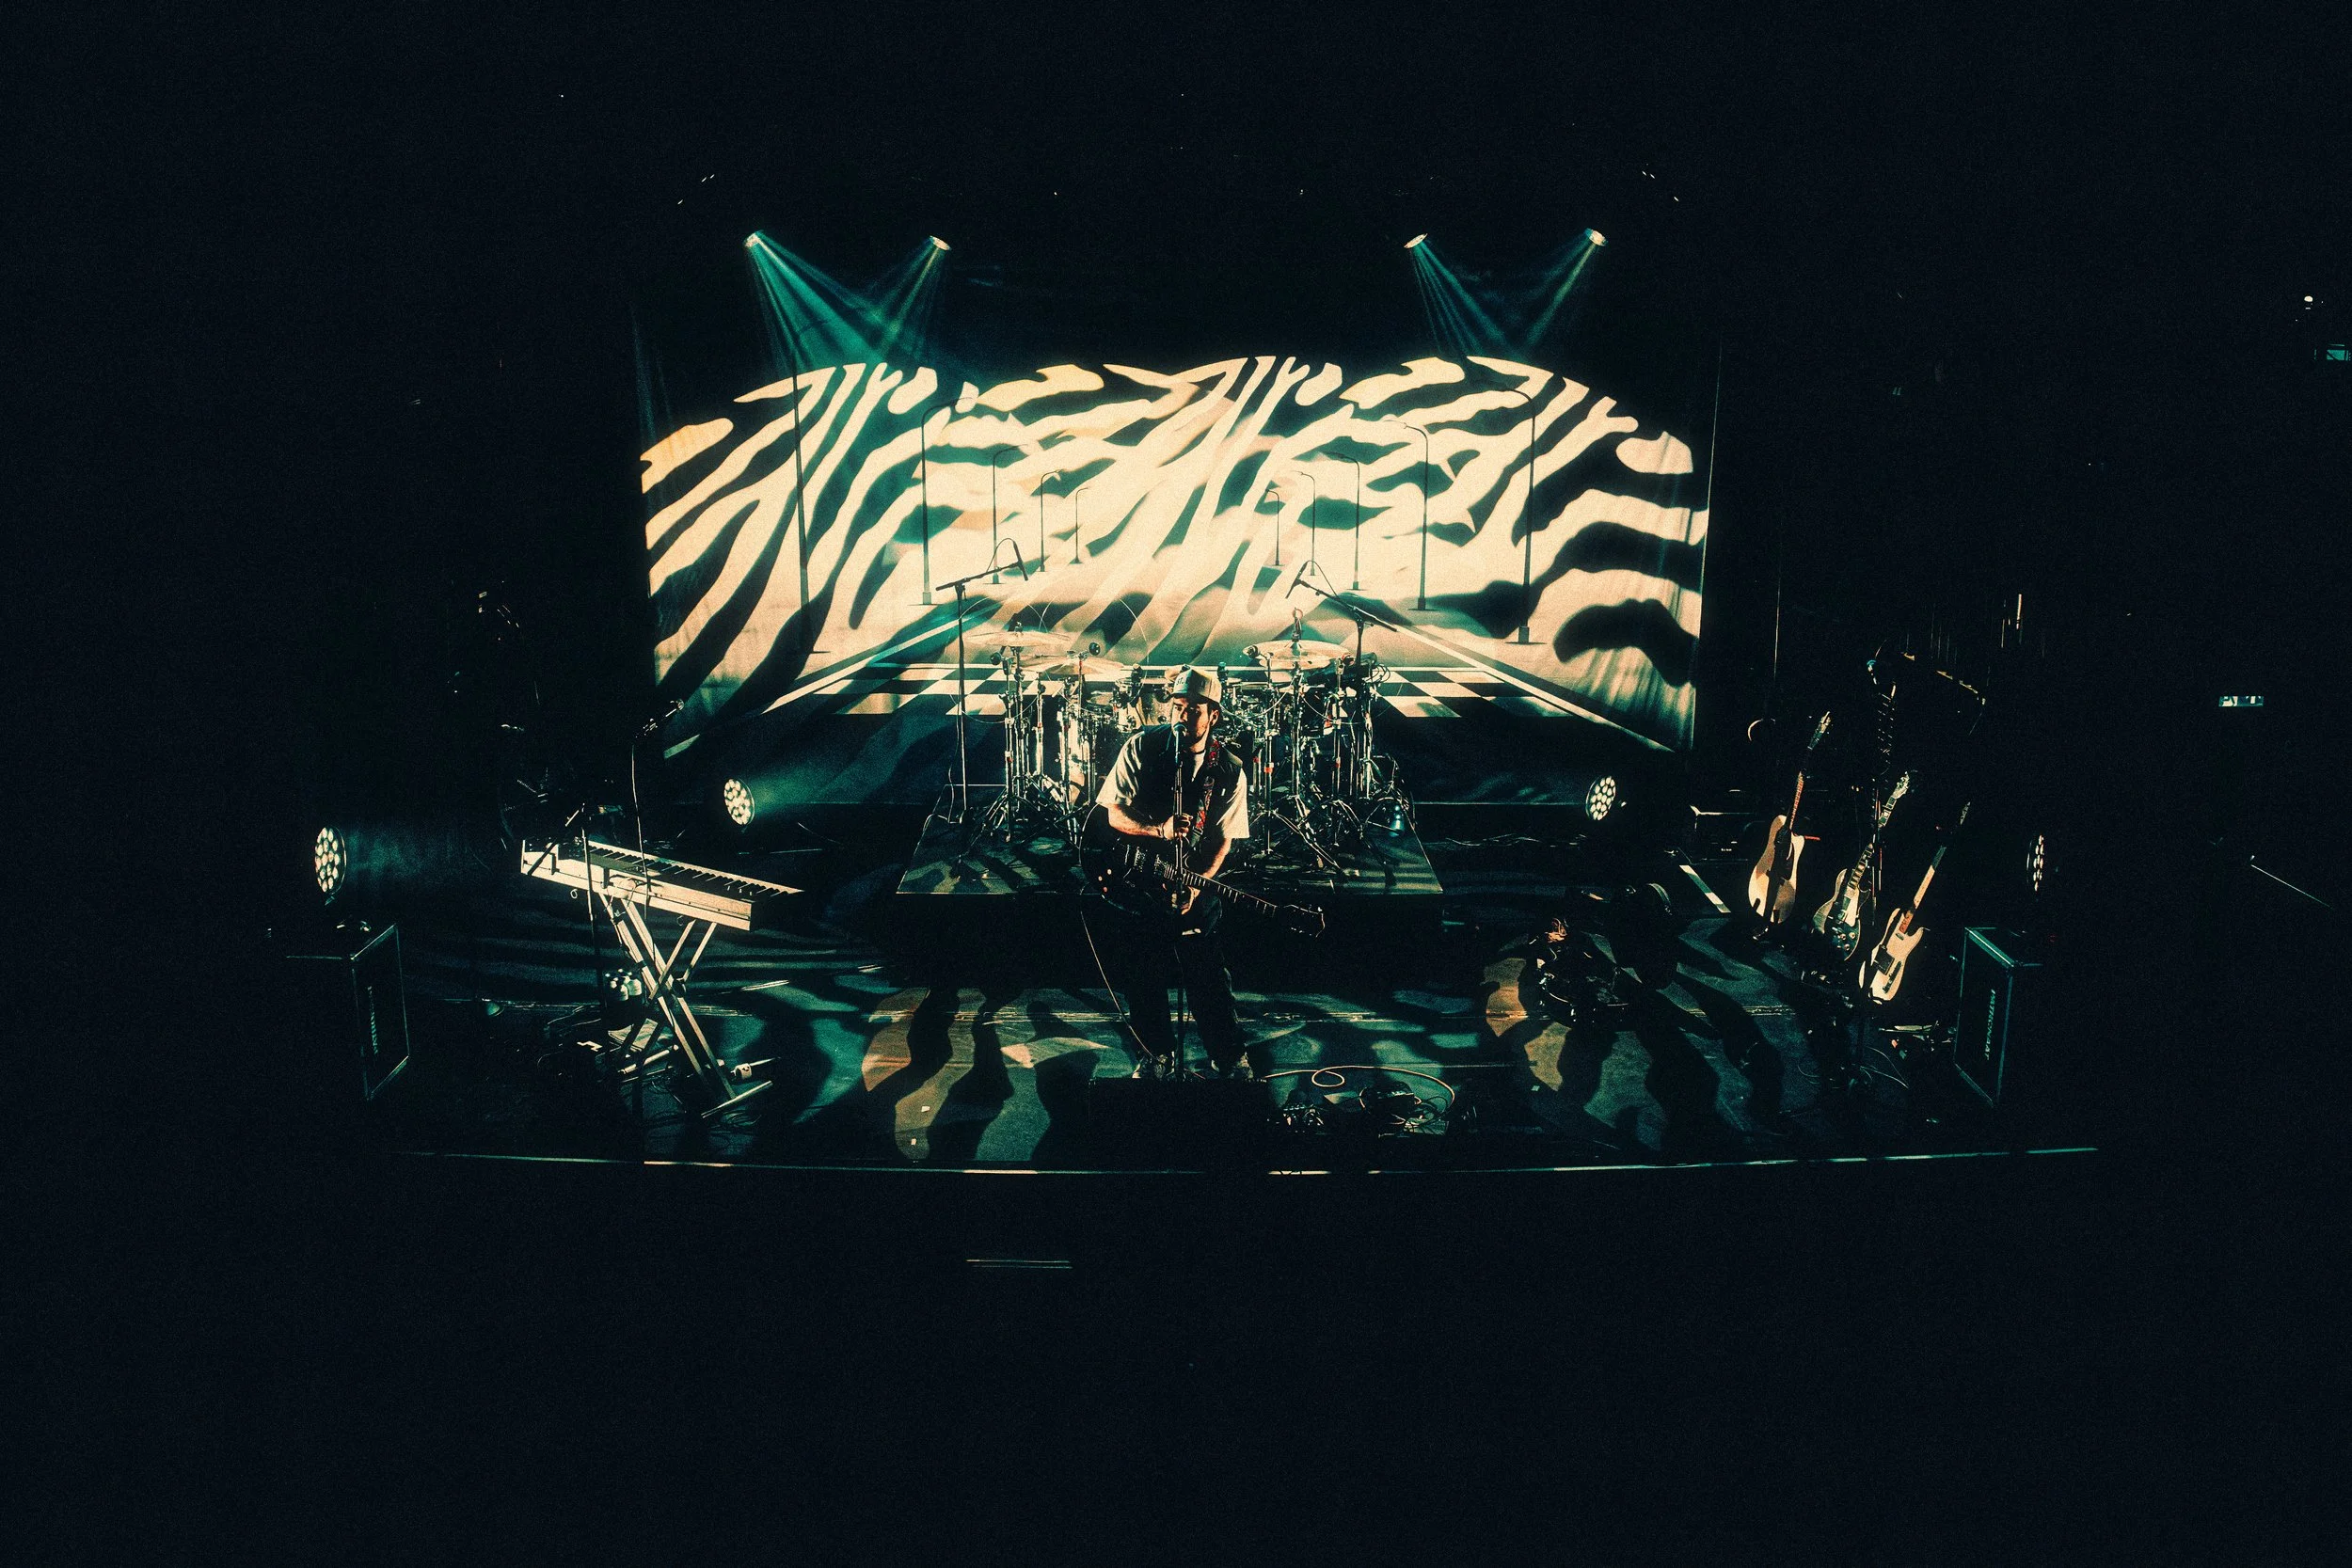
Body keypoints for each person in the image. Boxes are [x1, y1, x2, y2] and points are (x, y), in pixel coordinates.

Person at [1089, 667, 1252, 1079]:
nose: (1182, 716)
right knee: (1142, 971)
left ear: (1213, 715)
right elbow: (1113, 813)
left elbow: (1223, 839)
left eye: (1193, 709)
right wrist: (1157, 830)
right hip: (1139, 879)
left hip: (1193, 880)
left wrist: (1197, 886)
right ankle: (1155, 1053)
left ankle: (1229, 1057)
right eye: (1177, 707)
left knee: (1208, 974)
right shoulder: (1142, 746)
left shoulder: (1229, 768)